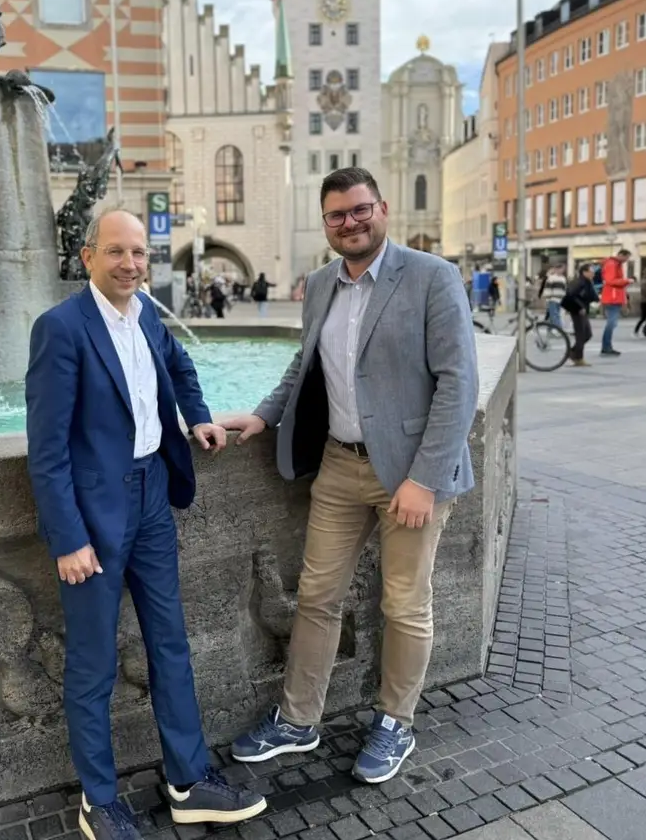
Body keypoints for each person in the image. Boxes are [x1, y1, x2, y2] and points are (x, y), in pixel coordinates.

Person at [217, 168, 478, 784]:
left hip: (410, 472)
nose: (350, 223)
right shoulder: (320, 286)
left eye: (360, 211)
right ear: (327, 223)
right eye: (337, 215)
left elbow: (459, 384)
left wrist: (423, 479)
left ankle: (396, 723)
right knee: (315, 596)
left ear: (382, 209)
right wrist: (261, 418)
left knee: (405, 603)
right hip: (338, 466)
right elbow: (303, 367)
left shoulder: (431, 277)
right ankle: (297, 719)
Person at [24, 209, 266, 840]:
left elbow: (180, 368)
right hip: (95, 516)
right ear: (87, 258)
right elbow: (45, 449)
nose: (131, 264)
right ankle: (98, 800)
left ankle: (188, 782)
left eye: (139, 253)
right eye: (116, 252)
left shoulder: (148, 315)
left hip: (154, 495)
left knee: (170, 644)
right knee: (93, 663)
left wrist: (201, 415)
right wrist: (68, 536)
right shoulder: (61, 328)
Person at [561, 262, 598, 367]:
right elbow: (571, 295)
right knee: (581, 334)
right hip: (577, 310)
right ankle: (578, 358)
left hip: (583, 310)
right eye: (591, 272)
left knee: (587, 334)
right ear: (584, 272)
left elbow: (591, 295)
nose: (593, 274)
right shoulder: (579, 282)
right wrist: (580, 307)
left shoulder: (587, 282)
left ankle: (573, 352)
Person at [598, 249, 632, 356]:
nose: (626, 260)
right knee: (611, 323)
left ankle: (606, 346)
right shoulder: (612, 264)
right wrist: (626, 281)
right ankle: (606, 346)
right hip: (612, 297)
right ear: (621, 255)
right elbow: (610, 281)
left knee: (612, 323)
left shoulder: (615, 264)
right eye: (626, 258)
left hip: (613, 296)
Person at [539, 264, 568, 330]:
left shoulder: (563, 278)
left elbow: (564, 289)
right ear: (557, 269)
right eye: (561, 269)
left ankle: (550, 331)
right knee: (555, 315)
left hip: (560, 299)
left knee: (552, 316)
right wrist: (547, 299)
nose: (562, 270)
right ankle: (560, 331)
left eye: (563, 269)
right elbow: (548, 289)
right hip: (553, 299)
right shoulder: (551, 278)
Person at [634, 264, 646, 337]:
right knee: (643, 317)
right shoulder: (645, 281)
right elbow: (645, 292)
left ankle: (645, 330)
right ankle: (639, 330)